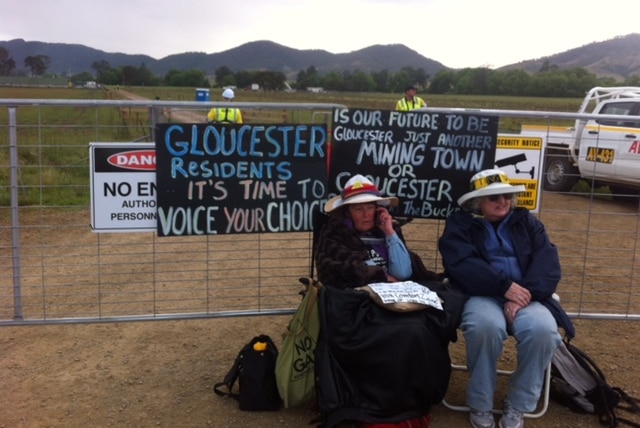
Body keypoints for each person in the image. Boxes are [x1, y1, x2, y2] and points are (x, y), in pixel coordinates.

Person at [314, 174, 464, 428]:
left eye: (370, 207)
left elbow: (404, 272)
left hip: (395, 298)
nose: (365, 214)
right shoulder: (334, 234)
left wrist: (390, 232)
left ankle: (410, 398)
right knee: (395, 331)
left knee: (419, 328)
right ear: (347, 211)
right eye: (358, 208)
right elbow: (333, 269)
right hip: (357, 303)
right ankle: (373, 400)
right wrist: (380, 275)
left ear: (378, 208)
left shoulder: (386, 230)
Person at [438, 169, 575, 428]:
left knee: (544, 331)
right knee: (484, 328)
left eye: (506, 195)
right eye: (493, 198)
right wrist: (503, 287)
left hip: (527, 296)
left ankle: (519, 403)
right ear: (478, 203)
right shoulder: (460, 225)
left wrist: (524, 294)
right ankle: (480, 401)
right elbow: (461, 264)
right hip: (481, 294)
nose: (502, 201)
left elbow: (547, 262)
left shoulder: (527, 223)